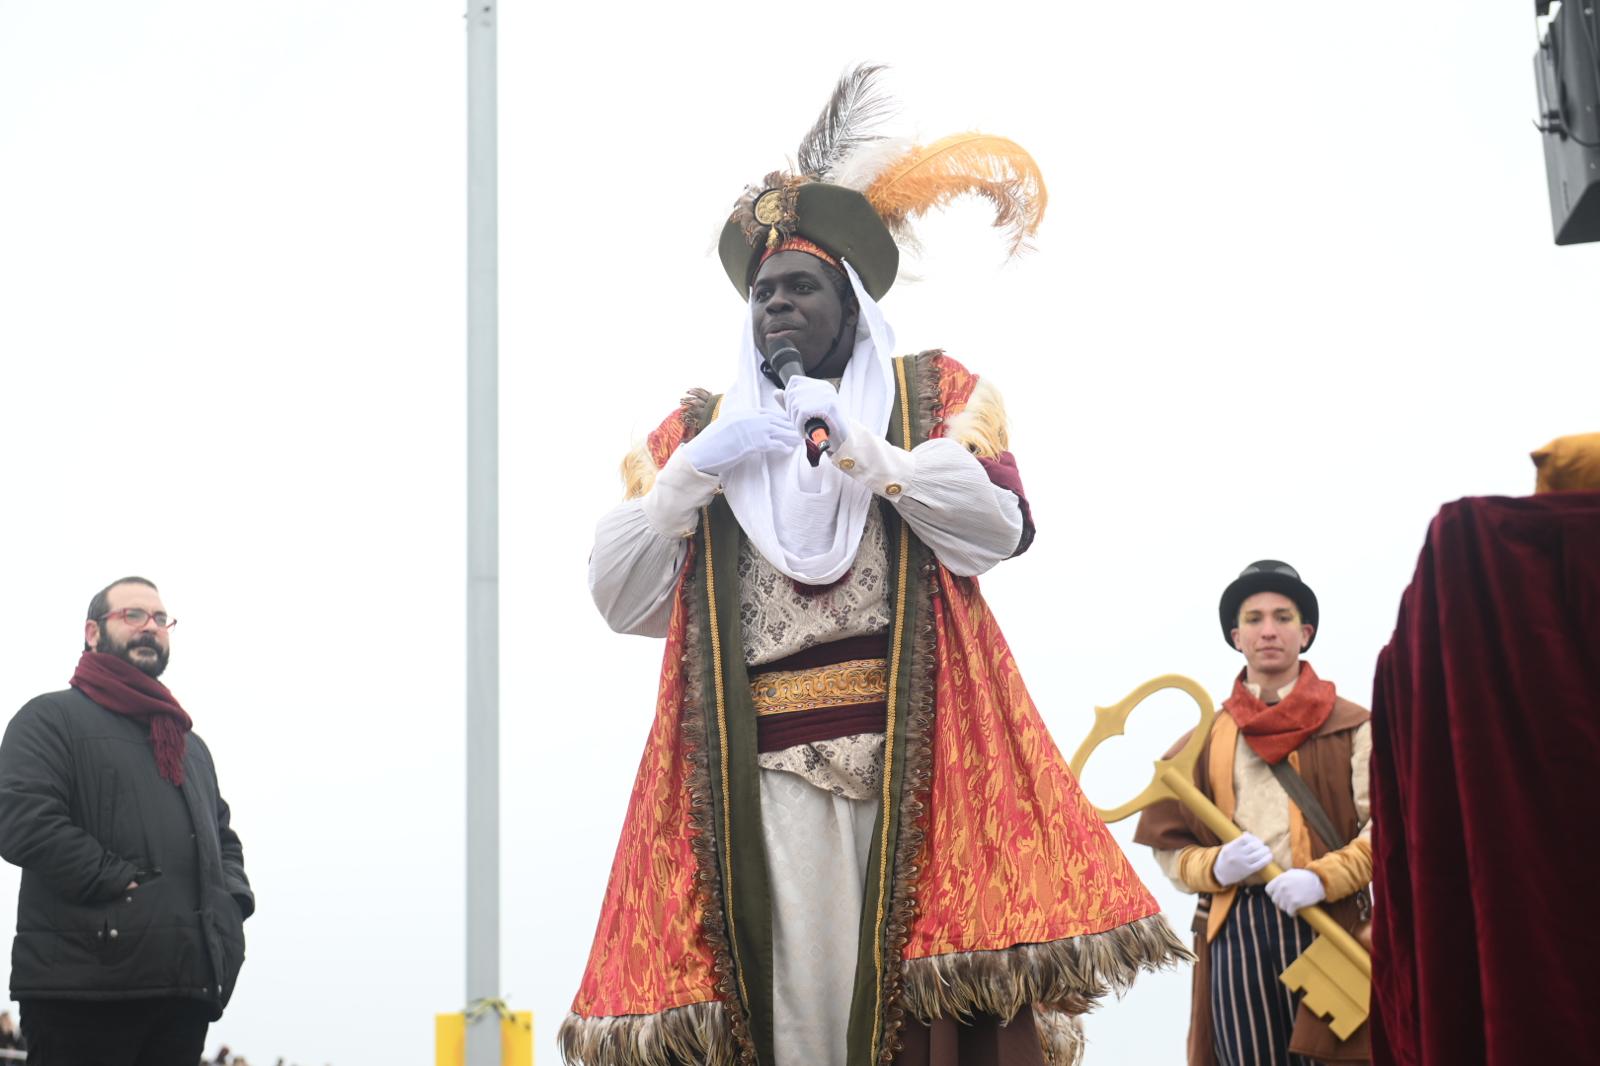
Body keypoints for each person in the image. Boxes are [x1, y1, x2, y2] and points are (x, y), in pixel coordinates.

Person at [560, 67, 1186, 1066]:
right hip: (754, 774)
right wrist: (688, 476)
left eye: (797, 288)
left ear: (848, 302)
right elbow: (621, 599)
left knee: (915, 1020)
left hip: (912, 756)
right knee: (790, 1013)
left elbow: (992, 531)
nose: (775, 307)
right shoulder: (695, 433)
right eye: (762, 294)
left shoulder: (929, 396)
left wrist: (871, 455)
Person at [0, 576, 253, 1065]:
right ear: (93, 632)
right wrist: (121, 882)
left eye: (160, 619)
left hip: (184, 990)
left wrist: (231, 908)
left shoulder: (187, 744)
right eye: (133, 615)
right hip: (81, 989)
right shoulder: (49, 718)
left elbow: (223, 842)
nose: (150, 627)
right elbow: (21, 818)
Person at [1134, 562, 1372, 1065]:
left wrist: (1323, 878)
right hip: (1238, 924)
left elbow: (1390, 831)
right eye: (1255, 618)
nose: (1269, 630)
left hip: (1331, 919)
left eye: (1283, 617)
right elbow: (1169, 848)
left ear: (1304, 634)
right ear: (1235, 635)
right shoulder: (1203, 740)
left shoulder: (1356, 727)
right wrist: (1215, 866)